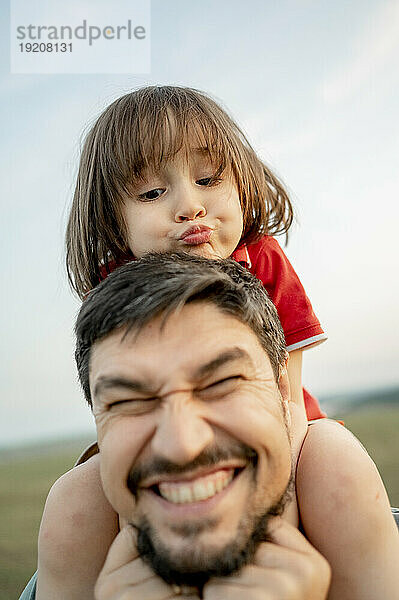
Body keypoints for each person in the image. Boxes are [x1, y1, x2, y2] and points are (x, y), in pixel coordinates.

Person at [30, 87, 398, 598]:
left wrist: (277, 497)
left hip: (289, 421)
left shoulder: (263, 259)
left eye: (207, 180)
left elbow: (284, 389)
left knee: (333, 456)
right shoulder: (115, 283)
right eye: (153, 193)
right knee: (77, 496)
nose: (189, 206)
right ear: (113, 219)